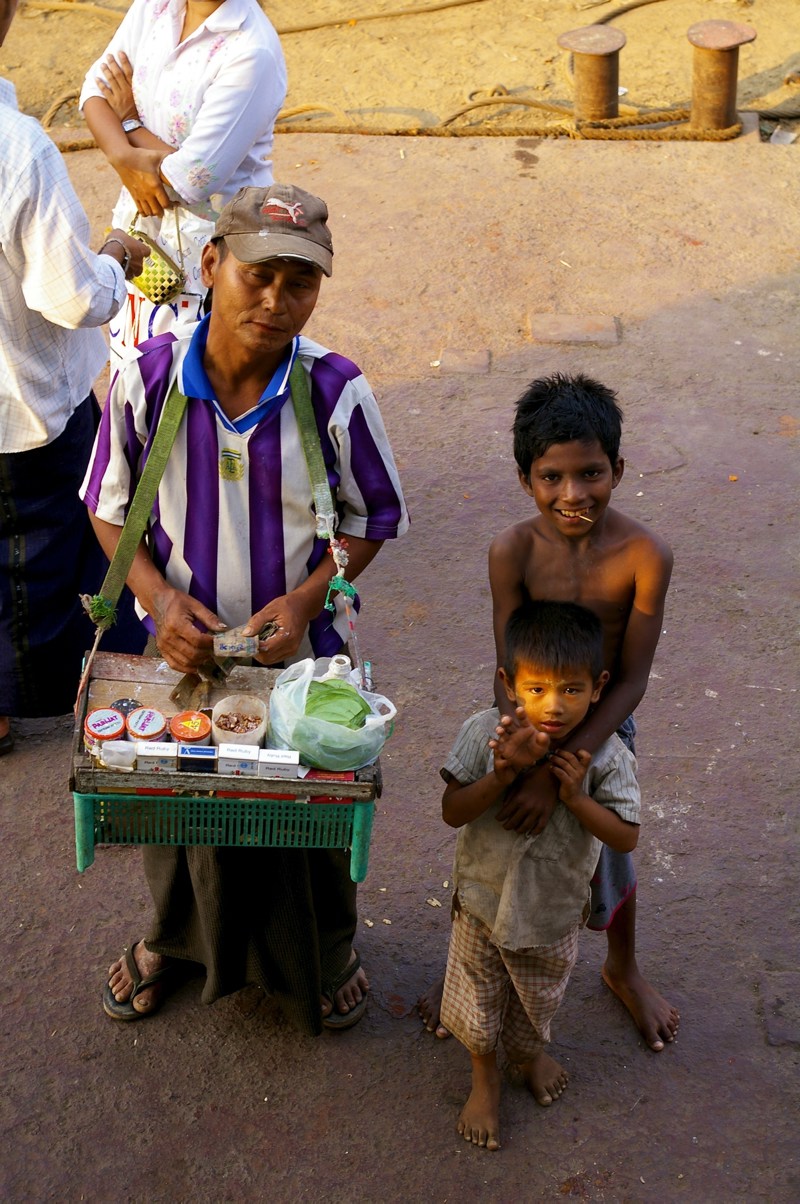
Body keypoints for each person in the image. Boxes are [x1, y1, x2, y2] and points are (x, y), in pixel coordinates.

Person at [80, 183, 409, 1034]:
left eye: (299, 282)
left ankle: (327, 948)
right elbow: (108, 505)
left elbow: (374, 519)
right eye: (259, 273)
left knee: (310, 800)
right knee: (177, 799)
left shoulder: (335, 390)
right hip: (180, 645)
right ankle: (170, 939)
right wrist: (156, 599)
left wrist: (305, 600)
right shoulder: (147, 382)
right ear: (212, 264)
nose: (275, 299)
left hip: (298, 651)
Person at [420, 372, 679, 1052]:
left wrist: (565, 765)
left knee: (607, 853)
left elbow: (630, 680)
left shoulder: (645, 555)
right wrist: (522, 753)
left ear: (618, 469)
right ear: (524, 477)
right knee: (494, 844)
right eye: (551, 477)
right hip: (522, 712)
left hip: (601, 725)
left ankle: (622, 967)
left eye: (591, 473)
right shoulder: (512, 550)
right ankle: (466, 979)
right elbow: (506, 663)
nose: (573, 494)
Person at [0, 0, 148, 755]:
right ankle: (69, 697)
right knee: (57, 554)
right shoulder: (17, 149)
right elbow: (72, 297)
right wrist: (119, 254)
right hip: (27, 414)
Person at [441, 601, 640, 1151]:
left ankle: (527, 1057)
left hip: (552, 913)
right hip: (481, 902)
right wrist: (501, 775)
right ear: (508, 683)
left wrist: (574, 798)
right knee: (477, 1002)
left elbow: (626, 837)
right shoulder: (486, 732)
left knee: (539, 1002)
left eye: (571, 691)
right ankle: (485, 1079)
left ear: (598, 688)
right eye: (536, 689)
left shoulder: (604, 757)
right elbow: (452, 810)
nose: (553, 707)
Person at [79, 0, 286, 369]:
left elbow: (194, 178)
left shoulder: (252, 51)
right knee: (135, 375)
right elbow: (95, 91)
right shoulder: (154, 7)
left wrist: (128, 124)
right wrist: (122, 157)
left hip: (212, 252)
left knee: (191, 386)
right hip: (142, 233)